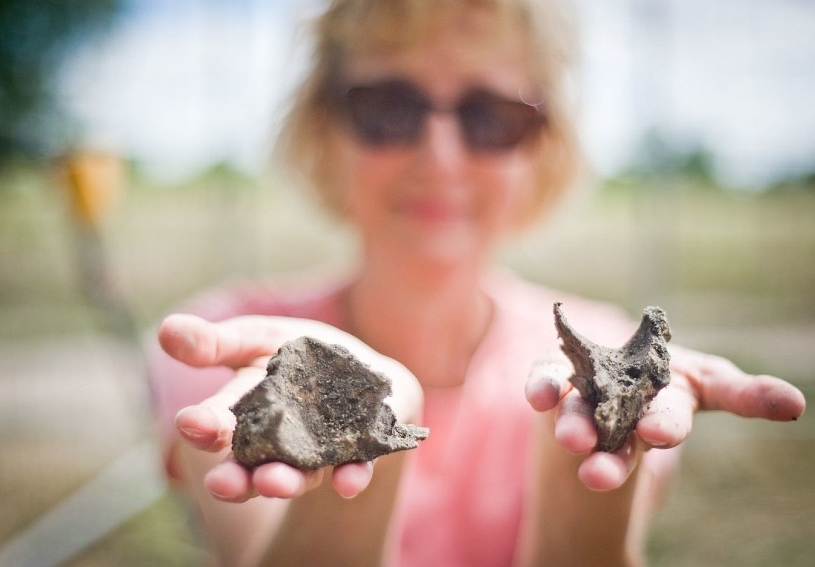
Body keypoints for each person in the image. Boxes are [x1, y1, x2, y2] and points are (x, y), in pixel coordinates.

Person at [147, 1, 806, 565]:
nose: (439, 156)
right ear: (324, 129)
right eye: (387, 109)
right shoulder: (233, 350)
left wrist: (580, 456)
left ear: (542, 145)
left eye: (491, 116)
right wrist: (370, 422)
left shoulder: (598, 352)